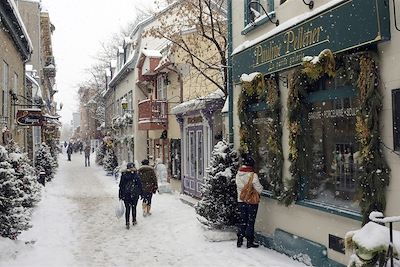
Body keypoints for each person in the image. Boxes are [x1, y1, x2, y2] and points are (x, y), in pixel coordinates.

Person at [235, 154, 263, 248]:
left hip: (241, 200)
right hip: (251, 202)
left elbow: (239, 187)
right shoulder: (253, 175)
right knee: (250, 221)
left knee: (242, 220)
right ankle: (249, 241)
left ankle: (239, 240)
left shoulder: (238, 174)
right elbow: (259, 189)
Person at [119, 162, 142, 229]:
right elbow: (139, 185)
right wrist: (141, 193)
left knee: (127, 208)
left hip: (126, 194)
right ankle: (134, 220)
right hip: (134, 194)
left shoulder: (124, 175)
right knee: (134, 207)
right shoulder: (136, 175)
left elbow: (121, 186)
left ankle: (127, 222)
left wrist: (120, 195)